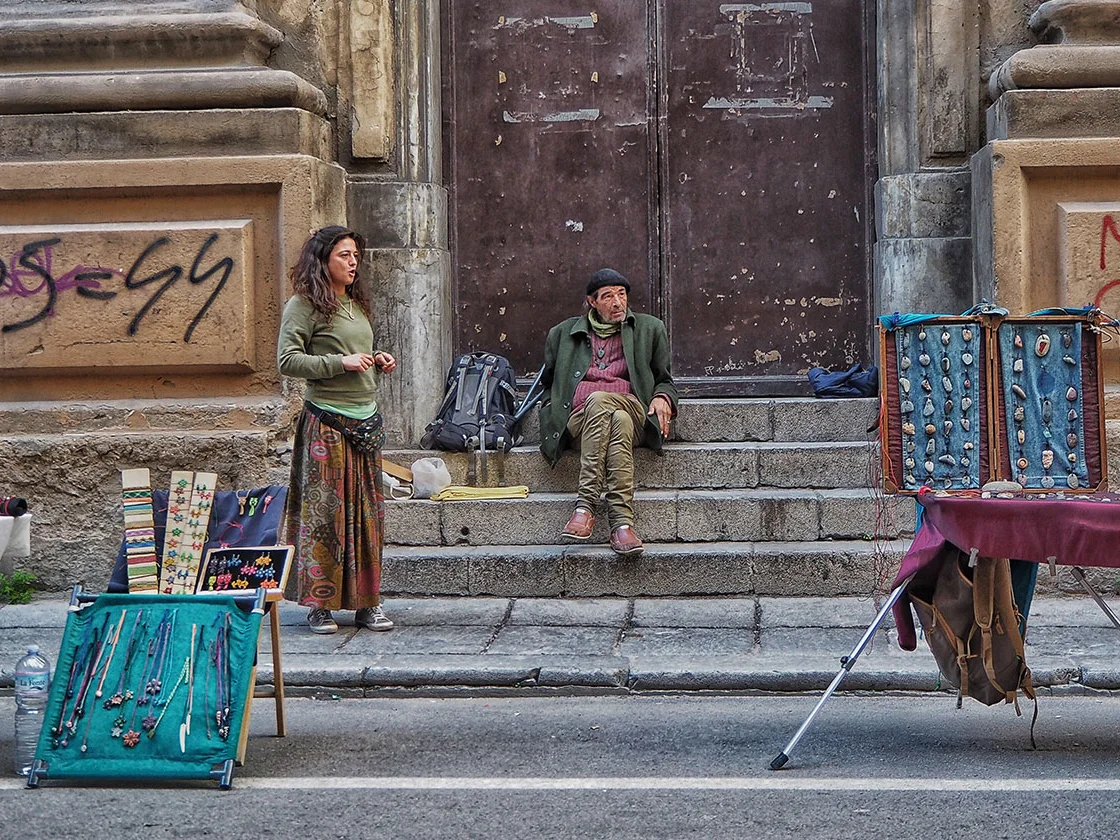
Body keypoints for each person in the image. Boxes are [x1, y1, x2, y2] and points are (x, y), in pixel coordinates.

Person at [277, 225, 397, 634]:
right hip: (326, 423)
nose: (353, 263)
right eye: (344, 255)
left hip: (365, 422)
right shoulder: (304, 305)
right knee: (326, 516)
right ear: (322, 259)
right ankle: (320, 606)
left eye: (355, 257)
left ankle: (367, 604)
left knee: (366, 517)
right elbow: (288, 360)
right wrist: (338, 364)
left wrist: (375, 358)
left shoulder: (354, 303)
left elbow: (350, 349)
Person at [539, 268, 679, 556]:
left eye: (621, 295)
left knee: (603, 401)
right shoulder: (561, 334)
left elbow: (664, 378)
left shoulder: (650, 329)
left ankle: (585, 505)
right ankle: (621, 524)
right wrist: (551, 410)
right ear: (592, 302)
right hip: (581, 420)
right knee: (617, 419)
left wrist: (664, 396)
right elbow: (548, 384)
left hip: (634, 406)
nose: (617, 303)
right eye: (608, 296)